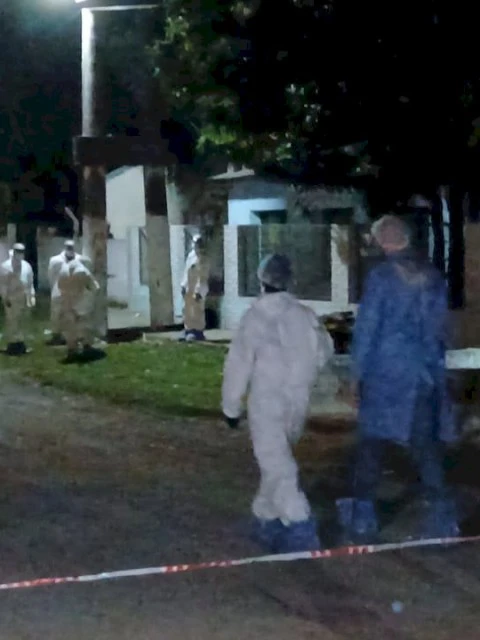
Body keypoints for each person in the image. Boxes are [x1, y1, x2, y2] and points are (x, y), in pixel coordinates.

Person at [336, 215, 459, 545]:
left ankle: (363, 518)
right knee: (425, 448)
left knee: (371, 446)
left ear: (383, 241)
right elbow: (442, 329)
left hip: (385, 377)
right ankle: (443, 518)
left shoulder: (381, 277)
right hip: (423, 377)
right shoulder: (433, 277)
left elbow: (367, 331)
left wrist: (355, 378)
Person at [222, 254, 334, 553]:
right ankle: (265, 516)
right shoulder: (305, 316)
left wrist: (231, 407)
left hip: (266, 401)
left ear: (261, 280)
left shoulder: (255, 318)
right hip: (298, 401)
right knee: (275, 460)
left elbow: (238, 365)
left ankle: (300, 524)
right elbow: (324, 352)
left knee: (278, 465)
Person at [47, 240, 91, 346]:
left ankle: (76, 337)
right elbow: (51, 275)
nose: (70, 249)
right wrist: (55, 287)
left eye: (72, 247)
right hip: (58, 291)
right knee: (57, 313)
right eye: (68, 247)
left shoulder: (81, 260)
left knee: (75, 314)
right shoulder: (55, 260)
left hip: (75, 292)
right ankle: (56, 335)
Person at [57, 257, 100, 362]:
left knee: (70, 328)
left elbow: (59, 286)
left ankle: (72, 350)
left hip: (67, 302)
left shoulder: (63, 270)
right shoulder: (83, 271)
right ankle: (86, 347)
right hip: (81, 303)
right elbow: (95, 287)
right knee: (85, 326)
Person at [0, 243, 35, 355]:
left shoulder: (26, 266)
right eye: (18, 251)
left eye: (22, 252)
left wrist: (32, 296)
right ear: (14, 252)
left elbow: (30, 282)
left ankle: (21, 344)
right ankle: (12, 345)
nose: (20, 254)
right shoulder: (5, 266)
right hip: (12, 298)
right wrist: (5, 298)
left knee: (23, 320)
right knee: (12, 321)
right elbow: (3, 284)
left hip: (24, 297)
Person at [180, 234, 210, 342]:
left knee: (198, 310)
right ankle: (188, 330)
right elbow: (186, 271)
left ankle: (198, 332)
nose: (198, 246)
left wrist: (199, 291)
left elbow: (203, 277)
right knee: (187, 310)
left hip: (198, 290)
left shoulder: (204, 259)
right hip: (189, 288)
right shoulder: (191, 256)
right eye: (196, 243)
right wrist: (183, 285)